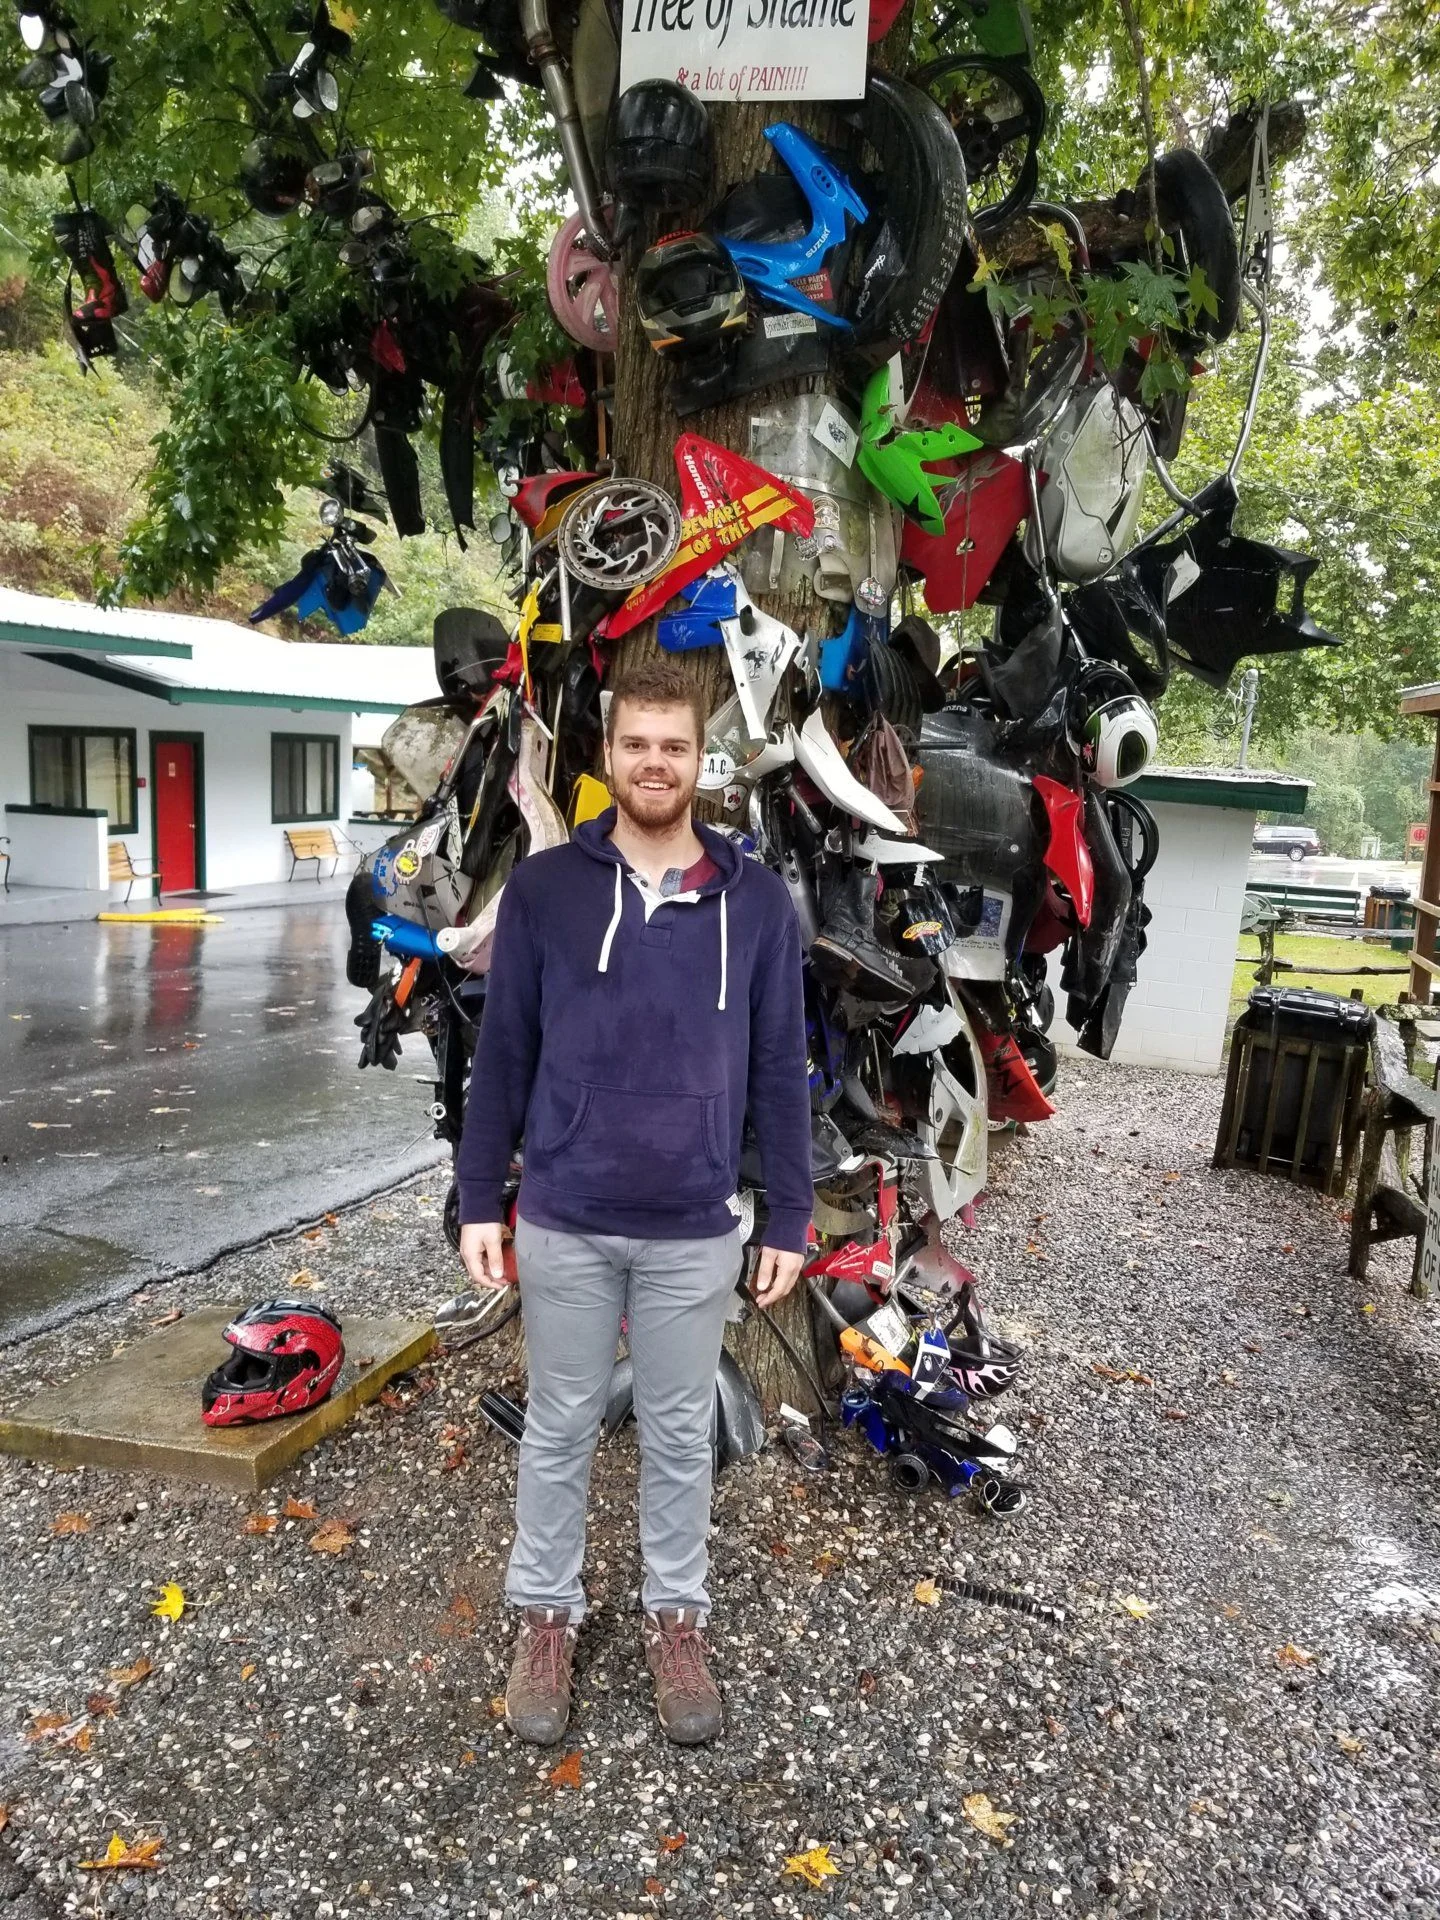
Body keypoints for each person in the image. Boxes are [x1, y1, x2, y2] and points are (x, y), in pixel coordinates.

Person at [456, 659, 813, 1748]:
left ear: (701, 762)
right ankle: (547, 1619)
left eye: (675, 746)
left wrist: (789, 1215)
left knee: (674, 1430)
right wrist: (480, 1197)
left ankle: (674, 1619)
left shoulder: (755, 905)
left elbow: (777, 1066)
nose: (655, 763)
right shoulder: (550, 889)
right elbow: (503, 1053)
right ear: (606, 757)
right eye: (636, 744)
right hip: (564, 1210)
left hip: (692, 1226)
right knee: (558, 1425)